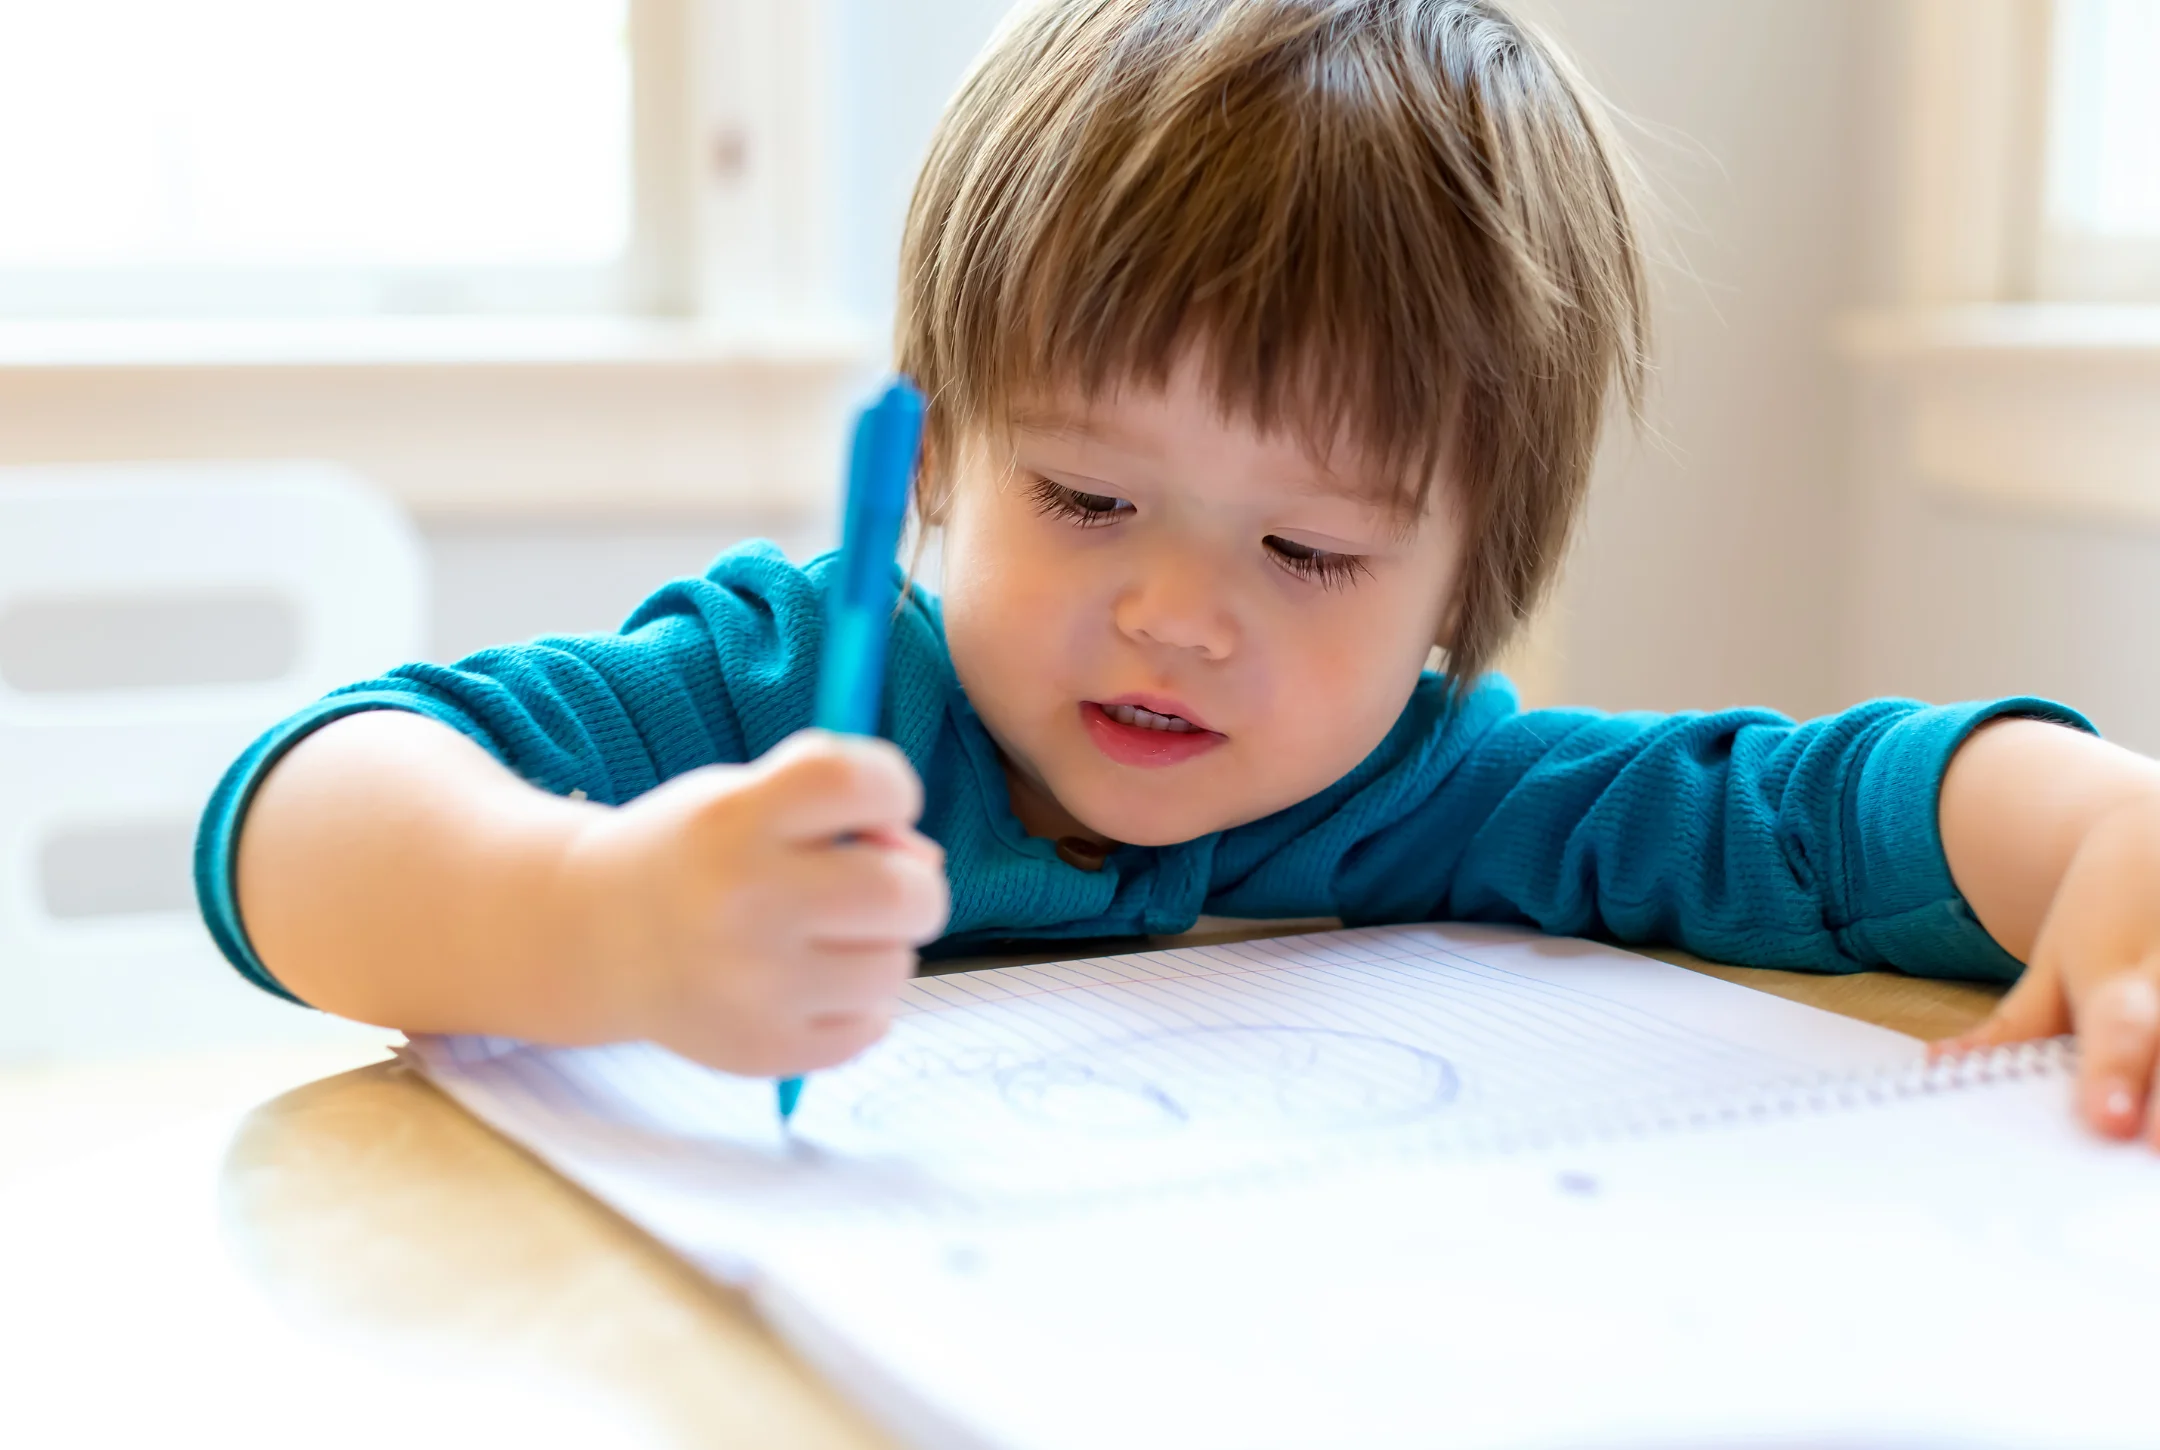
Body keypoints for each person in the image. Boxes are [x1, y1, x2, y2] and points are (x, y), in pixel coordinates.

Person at [198, 0, 2160, 1144]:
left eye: (1311, 548)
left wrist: (2114, 850)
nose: (1178, 614)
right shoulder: (792, 695)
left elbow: (1828, 815)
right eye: (1089, 499)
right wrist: (600, 909)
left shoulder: (1436, 784)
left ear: (1464, 594)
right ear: (940, 457)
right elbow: (296, 811)